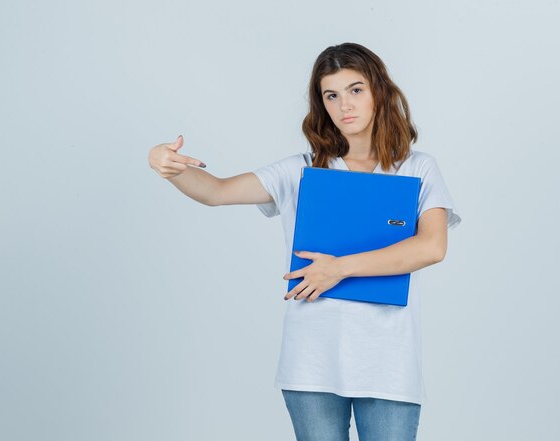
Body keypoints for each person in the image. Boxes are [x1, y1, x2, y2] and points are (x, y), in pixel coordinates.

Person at [148, 42, 461, 441]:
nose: (344, 104)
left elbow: (431, 246)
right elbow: (216, 191)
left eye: (355, 89)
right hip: (312, 362)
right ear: (322, 104)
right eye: (331, 95)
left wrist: (339, 268)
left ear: (379, 92)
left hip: (387, 364)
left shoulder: (416, 168)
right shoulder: (302, 170)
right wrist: (166, 165)